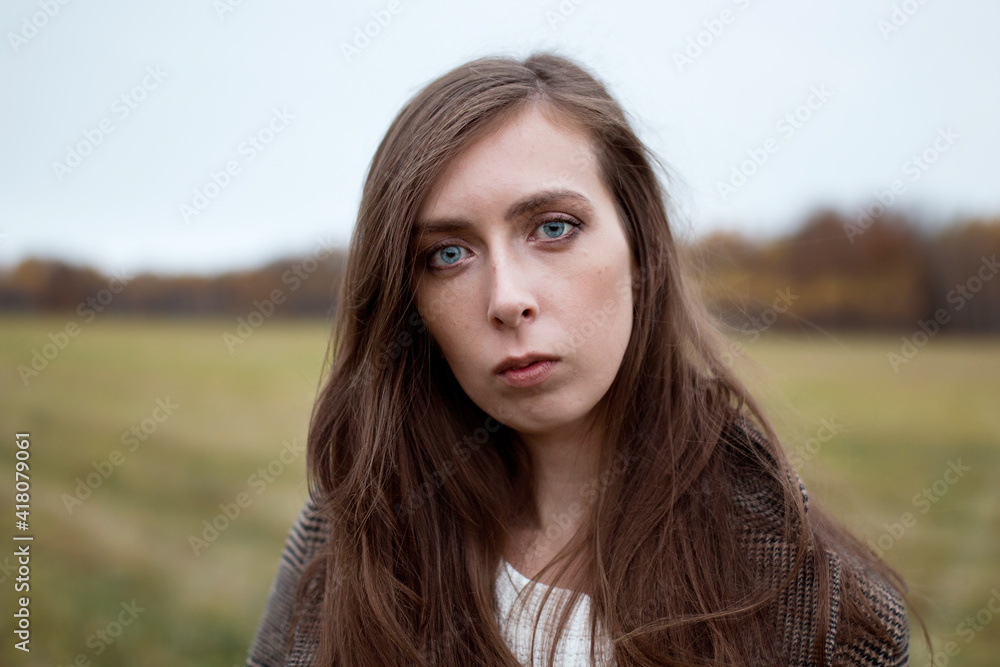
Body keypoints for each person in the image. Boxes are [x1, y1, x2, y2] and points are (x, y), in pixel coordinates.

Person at [245, 51, 913, 666]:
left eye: (553, 228)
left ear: (641, 249)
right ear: (409, 301)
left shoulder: (816, 599)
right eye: (448, 253)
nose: (507, 299)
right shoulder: (354, 525)